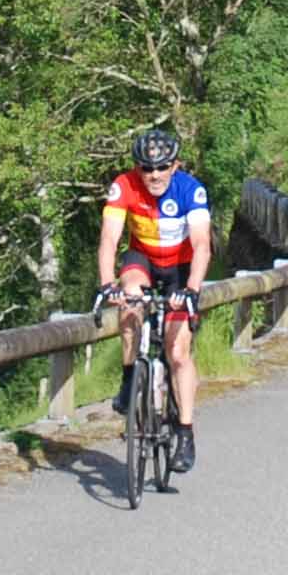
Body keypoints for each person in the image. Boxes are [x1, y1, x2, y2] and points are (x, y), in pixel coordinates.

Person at [93, 124, 211, 471]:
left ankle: (185, 431)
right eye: (146, 167)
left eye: (162, 167)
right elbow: (109, 239)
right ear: (137, 167)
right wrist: (105, 284)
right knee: (130, 297)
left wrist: (191, 289)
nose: (154, 175)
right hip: (142, 258)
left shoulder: (191, 189)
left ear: (175, 165)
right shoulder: (124, 185)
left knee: (177, 352)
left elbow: (202, 244)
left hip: (180, 265)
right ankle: (130, 376)